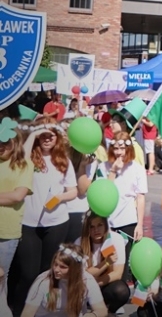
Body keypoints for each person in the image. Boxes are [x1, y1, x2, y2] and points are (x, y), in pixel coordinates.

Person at [11, 119, 77, 316]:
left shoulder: (63, 160)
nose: (47, 139)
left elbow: (73, 191)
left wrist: (60, 197)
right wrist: (35, 132)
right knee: (28, 273)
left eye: (51, 135)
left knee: (49, 273)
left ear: (57, 138)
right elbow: (21, 155)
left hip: (56, 223)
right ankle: (19, 310)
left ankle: (45, 310)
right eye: (43, 135)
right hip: (28, 223)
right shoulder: (28, 158)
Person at [94, 131, 148, 283]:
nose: (119, 152)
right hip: (106, 223)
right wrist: (113, 171)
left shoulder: (137, 169)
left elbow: (140, 197)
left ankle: (121, 290)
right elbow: (103, 193)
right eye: (116, 148)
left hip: (127, 221)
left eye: (122, 148)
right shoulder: (103, 167)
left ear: (128, 149)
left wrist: (140, 224)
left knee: (123, 262)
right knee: (107, 260)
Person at [0, 117, 33, 316]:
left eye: (5, 141)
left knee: (1, 278)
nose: (1, 146)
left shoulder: (24, 165)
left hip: (7, 231)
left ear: (15, 141)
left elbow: (17, 195)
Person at [20, 243, 107, 317]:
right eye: (55, 264)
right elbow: (27, 314)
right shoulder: (43, 280)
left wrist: (91, 315)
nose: (56, 269)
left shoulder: (86, 279)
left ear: (74, 269)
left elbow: (102, 310)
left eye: (63, 267)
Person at [75, 211, 130, 313]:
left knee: (121, 291)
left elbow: (117, 274)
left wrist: (95, 286)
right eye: (92, 227)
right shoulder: (79, 242)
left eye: (99, 225)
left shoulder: (116, 239)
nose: (96, 230)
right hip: (85, 285)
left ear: (105, 225)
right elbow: (84, 275)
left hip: (104, 284)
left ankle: (108, 311)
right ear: (87, 228)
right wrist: (106, 263)